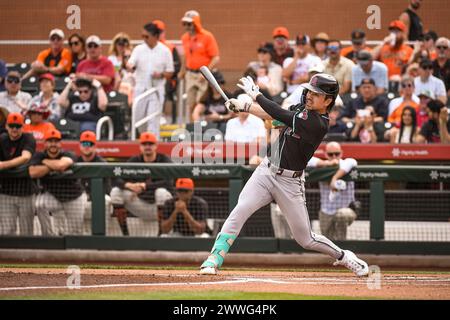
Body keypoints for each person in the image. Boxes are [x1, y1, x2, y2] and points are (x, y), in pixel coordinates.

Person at [199, 73, 369, 277]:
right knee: (240, 210)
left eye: (316, 94)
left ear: (328, 100)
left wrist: (257, 96)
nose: (310, 96)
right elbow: (272, 116)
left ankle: (343, 256)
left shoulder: (317, 123)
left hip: (290, 181)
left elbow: (279, 114)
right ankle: (214, 258)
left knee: (305, 239)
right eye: (310, 91)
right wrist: (242, 107)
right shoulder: (302, 109)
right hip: (266, 171)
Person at [110, 132, 173, 236]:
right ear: (140, 146)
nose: (147, 147)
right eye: (144, 144)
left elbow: (169, 183)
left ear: (156, 146)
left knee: (161, 192)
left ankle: (161, 235)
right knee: (116, 192)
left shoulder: (164, 159)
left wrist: (145, 186)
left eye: (150, 144)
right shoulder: (135, 160)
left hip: (162, 208)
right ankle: (125, 235)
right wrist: (129, 186)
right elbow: (115, 178)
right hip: (139, 204)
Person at [29, 129, 85, 236]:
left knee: (75, 233)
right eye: (50, 141)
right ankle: (49, 237)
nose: (53, 144)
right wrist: (52, 166)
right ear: (45, 144)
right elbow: (32, 172)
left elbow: (61, 165)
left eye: (56, 141)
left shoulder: (69, 153)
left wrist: (44, 162)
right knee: (40, 205)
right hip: (55, 198)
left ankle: (74, 251)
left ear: (60, 144)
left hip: (74, 197)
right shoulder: (38, 155)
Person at [127, 23, 174, 134]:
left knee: (153, 119)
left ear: (155, 36)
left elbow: (170, 71)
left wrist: (161, 75)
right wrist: (130, 66)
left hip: (156, 89)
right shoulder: (138, 49)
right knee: (138, 118)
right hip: (140, 89)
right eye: (142, 36)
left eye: (146, 36)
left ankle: (154, 141)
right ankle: (144, 138)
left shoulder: (165, 51)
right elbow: (130, 63)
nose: (144, 39)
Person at [307, 142, 358, 241]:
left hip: (346, 209)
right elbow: (307, 161)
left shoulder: (346, 163)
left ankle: (343, 246)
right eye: (330, 154)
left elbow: (352, 162)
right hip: (326, 210)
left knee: (341, 215)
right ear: (326, 154)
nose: (334, 156)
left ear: (341, 153)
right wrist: (327, 163)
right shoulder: (322, 165)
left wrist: (334, 178)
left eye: (337, 153)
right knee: (328, 241)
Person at [0, 113, 36, 235]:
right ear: (6, 126)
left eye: (17, 126)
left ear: (22, 127)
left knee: (26, 232)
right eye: (12, 126)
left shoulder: (28, 138)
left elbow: (25, 157)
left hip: (25, 192)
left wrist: (3, 165)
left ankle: (28, 254)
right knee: (7, 230)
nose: (14, 129)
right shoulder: (2, 138)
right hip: (6, 192)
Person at [178, 10, 220, 114]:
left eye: (189, 23)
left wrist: (207, 73)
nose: (186, 26)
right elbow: (185, 55)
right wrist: (182, 70)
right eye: (185, 24)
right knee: (191, 103)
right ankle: (193, 127)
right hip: (190, 74)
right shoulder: (184, 38)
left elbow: (216, 57)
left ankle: (201, 126)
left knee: (201, 102)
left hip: (203, 75)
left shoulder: (207, 36)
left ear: (195, 23)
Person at [76, 131, 115, 235]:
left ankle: (103, 234)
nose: (87, 147)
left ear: (95, 146)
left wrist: (90, 196)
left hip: (97, 199)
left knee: (106, 200)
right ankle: (77, 235)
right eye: (84, 144)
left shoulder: (102, 163)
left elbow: (107, 189)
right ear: (80, 146)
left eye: (90, 144)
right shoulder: (74, 162)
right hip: (79, 199)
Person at [153, 19, 182, 123]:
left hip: (168, 80)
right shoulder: (147, 48)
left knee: (166, 89)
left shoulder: (170, 47)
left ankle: (164, 116)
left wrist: (166, 75)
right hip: (150, 80)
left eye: (159, 32)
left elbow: (177, 66)